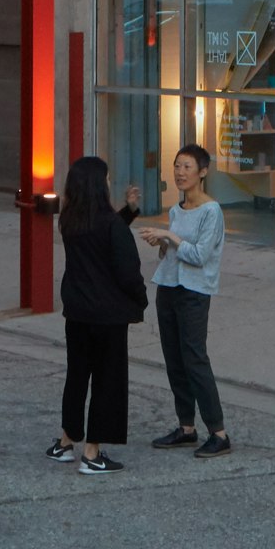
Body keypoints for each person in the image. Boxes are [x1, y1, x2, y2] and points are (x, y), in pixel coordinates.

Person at [50, 155, 145, 472]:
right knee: (108, 381)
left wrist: (128, 212)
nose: (108, 183)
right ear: (97, 185)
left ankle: (66, 441)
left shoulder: (70, 220)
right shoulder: (110, 226)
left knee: (77, 376)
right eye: (105, 179)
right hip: (107, 316)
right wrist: (140, 299)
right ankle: (92, 453)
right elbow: (127, 271)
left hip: (77, 313)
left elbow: (100, 235)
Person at [138, 141, 231, 456]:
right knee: (174, 359)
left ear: (203, 172)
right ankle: (186, 427)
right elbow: (175, 253)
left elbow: (199, 256)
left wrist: (171, 237)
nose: (179, 172)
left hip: (194, 291)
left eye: (187, 167)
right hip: (169, 286)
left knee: (194, 359)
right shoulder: (176, 210)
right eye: (177, 166)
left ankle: (218, 432)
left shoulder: (211, 211)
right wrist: (162, 244)